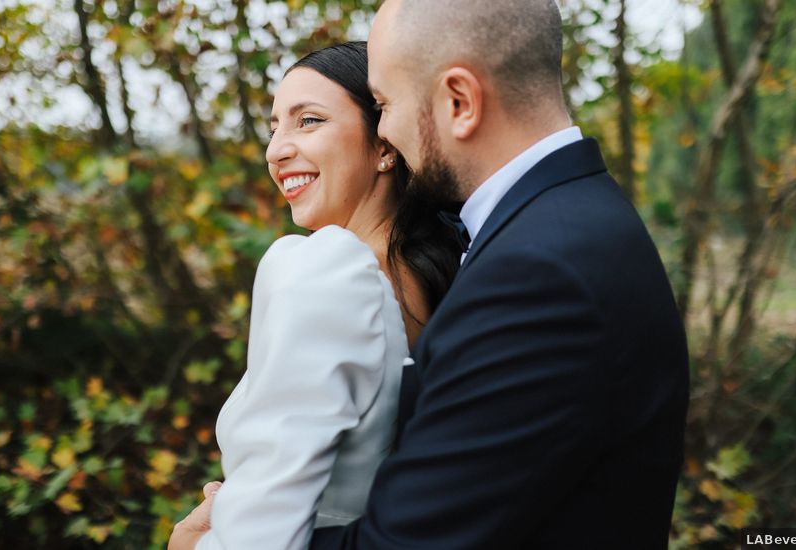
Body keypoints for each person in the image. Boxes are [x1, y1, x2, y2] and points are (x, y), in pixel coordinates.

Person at [177, 0, 690, 547]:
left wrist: (214, 540)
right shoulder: (567, 225)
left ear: (459, 101)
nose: (389, 129)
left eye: (386, 104)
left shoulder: (539, 273)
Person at [168, 42, 463, 550]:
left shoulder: (321, 270)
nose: (277, 149)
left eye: (308, 121)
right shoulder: (443, 274)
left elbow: (262, 531)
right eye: (275, 126)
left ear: (385, 144)